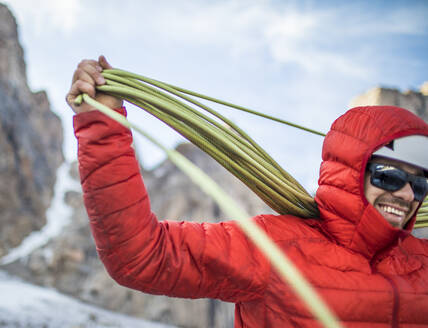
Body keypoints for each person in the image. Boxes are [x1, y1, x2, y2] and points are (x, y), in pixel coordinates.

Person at [66, 56, 428, 327]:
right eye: (390, 177)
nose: (409, 196)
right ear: (352, 170)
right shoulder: (274, 248)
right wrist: (103, 125)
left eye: (421, 182)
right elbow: (143, 256)